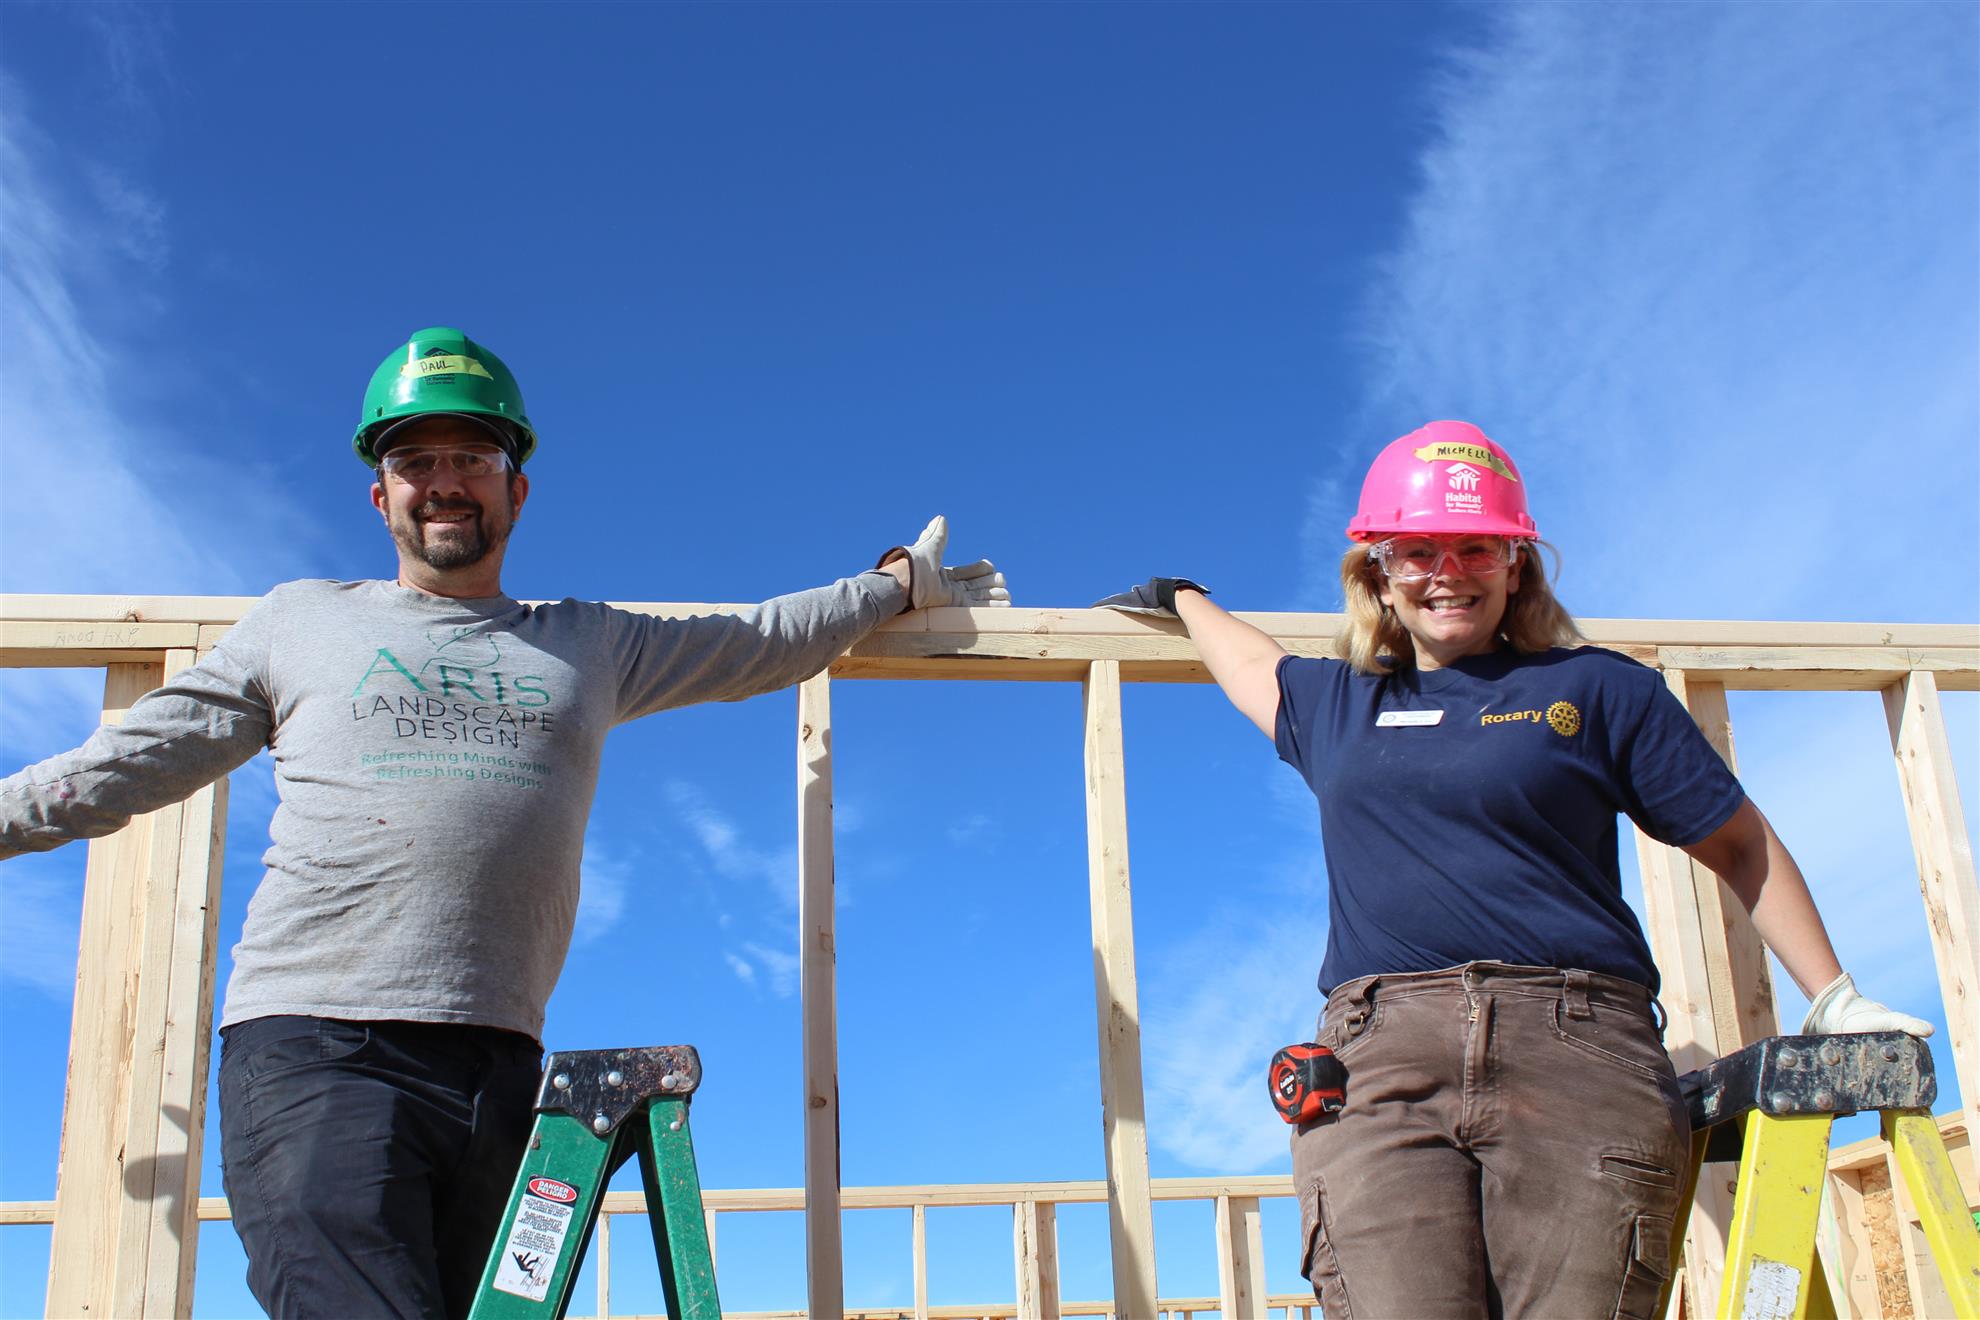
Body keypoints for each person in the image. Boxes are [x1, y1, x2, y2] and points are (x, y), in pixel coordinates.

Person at [0, 326, 1009, 1320]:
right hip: (316, 1045)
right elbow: (126, 762)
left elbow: (760, 642)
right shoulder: (300, 621)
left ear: (515, 487)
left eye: (471, 457)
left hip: (498, 1064)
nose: (443, 479)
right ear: (380, 491)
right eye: (414, 458)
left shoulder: (589, 643)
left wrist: (891, 584)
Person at [1097, 419, 1928, 1319]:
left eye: (1475, 548)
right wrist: (1182, 597)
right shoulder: (1337, 704)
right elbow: (1248, 658)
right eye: (1418, 550)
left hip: (1578, 1045)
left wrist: (1834, 995)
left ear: (1515, 564)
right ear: (1377, 569)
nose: (1446, 571)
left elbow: (1741, 845)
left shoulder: (1598, 692)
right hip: (1380, 1061)